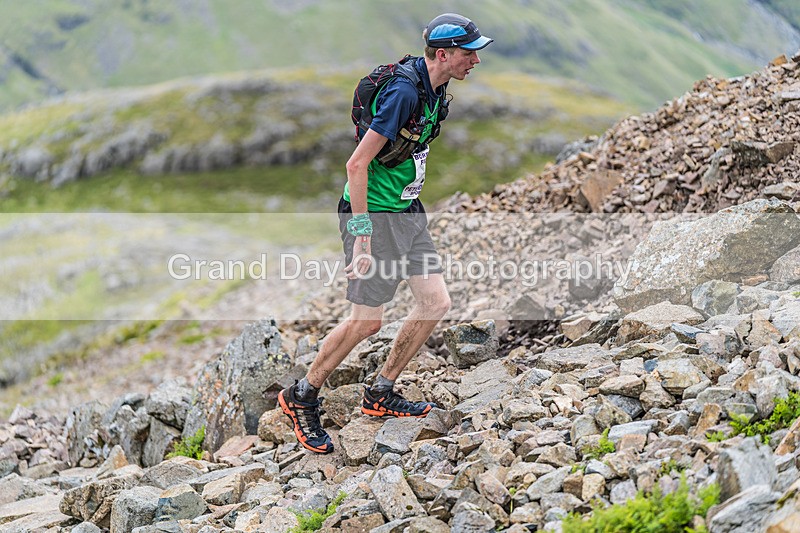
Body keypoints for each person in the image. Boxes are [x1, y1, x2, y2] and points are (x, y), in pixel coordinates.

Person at [279, 13, 493, 454]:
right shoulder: (402, 94)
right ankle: (301, 395)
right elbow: (356, 165)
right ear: (444, 53)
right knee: (367, 322)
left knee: (436, 302)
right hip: (372, 217)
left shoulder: (437, 88)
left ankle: (380, 392)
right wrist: (361, 237)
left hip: (406, 211)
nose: (475, 59)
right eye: (468, 52)